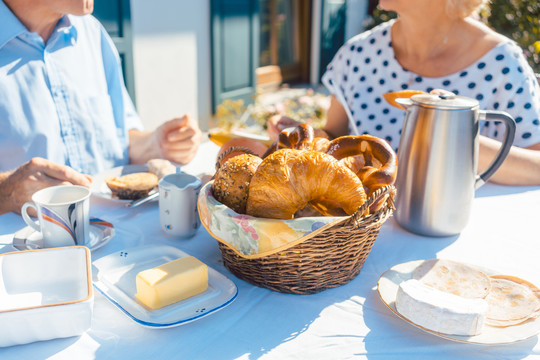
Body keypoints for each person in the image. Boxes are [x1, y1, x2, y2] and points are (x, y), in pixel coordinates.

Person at [268, 0, 540, 185]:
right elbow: (336, 136)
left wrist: (460, 141)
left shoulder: (502, 62)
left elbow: (537, 166)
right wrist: (307, 137)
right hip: (359, 241)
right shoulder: (357, 53)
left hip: (457, 244)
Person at [0, 0, 202, 214]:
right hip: (31, 245)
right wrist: (8, 191)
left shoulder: (92, 32)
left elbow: (120, 140)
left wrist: (157, 144)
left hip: (119, 235)